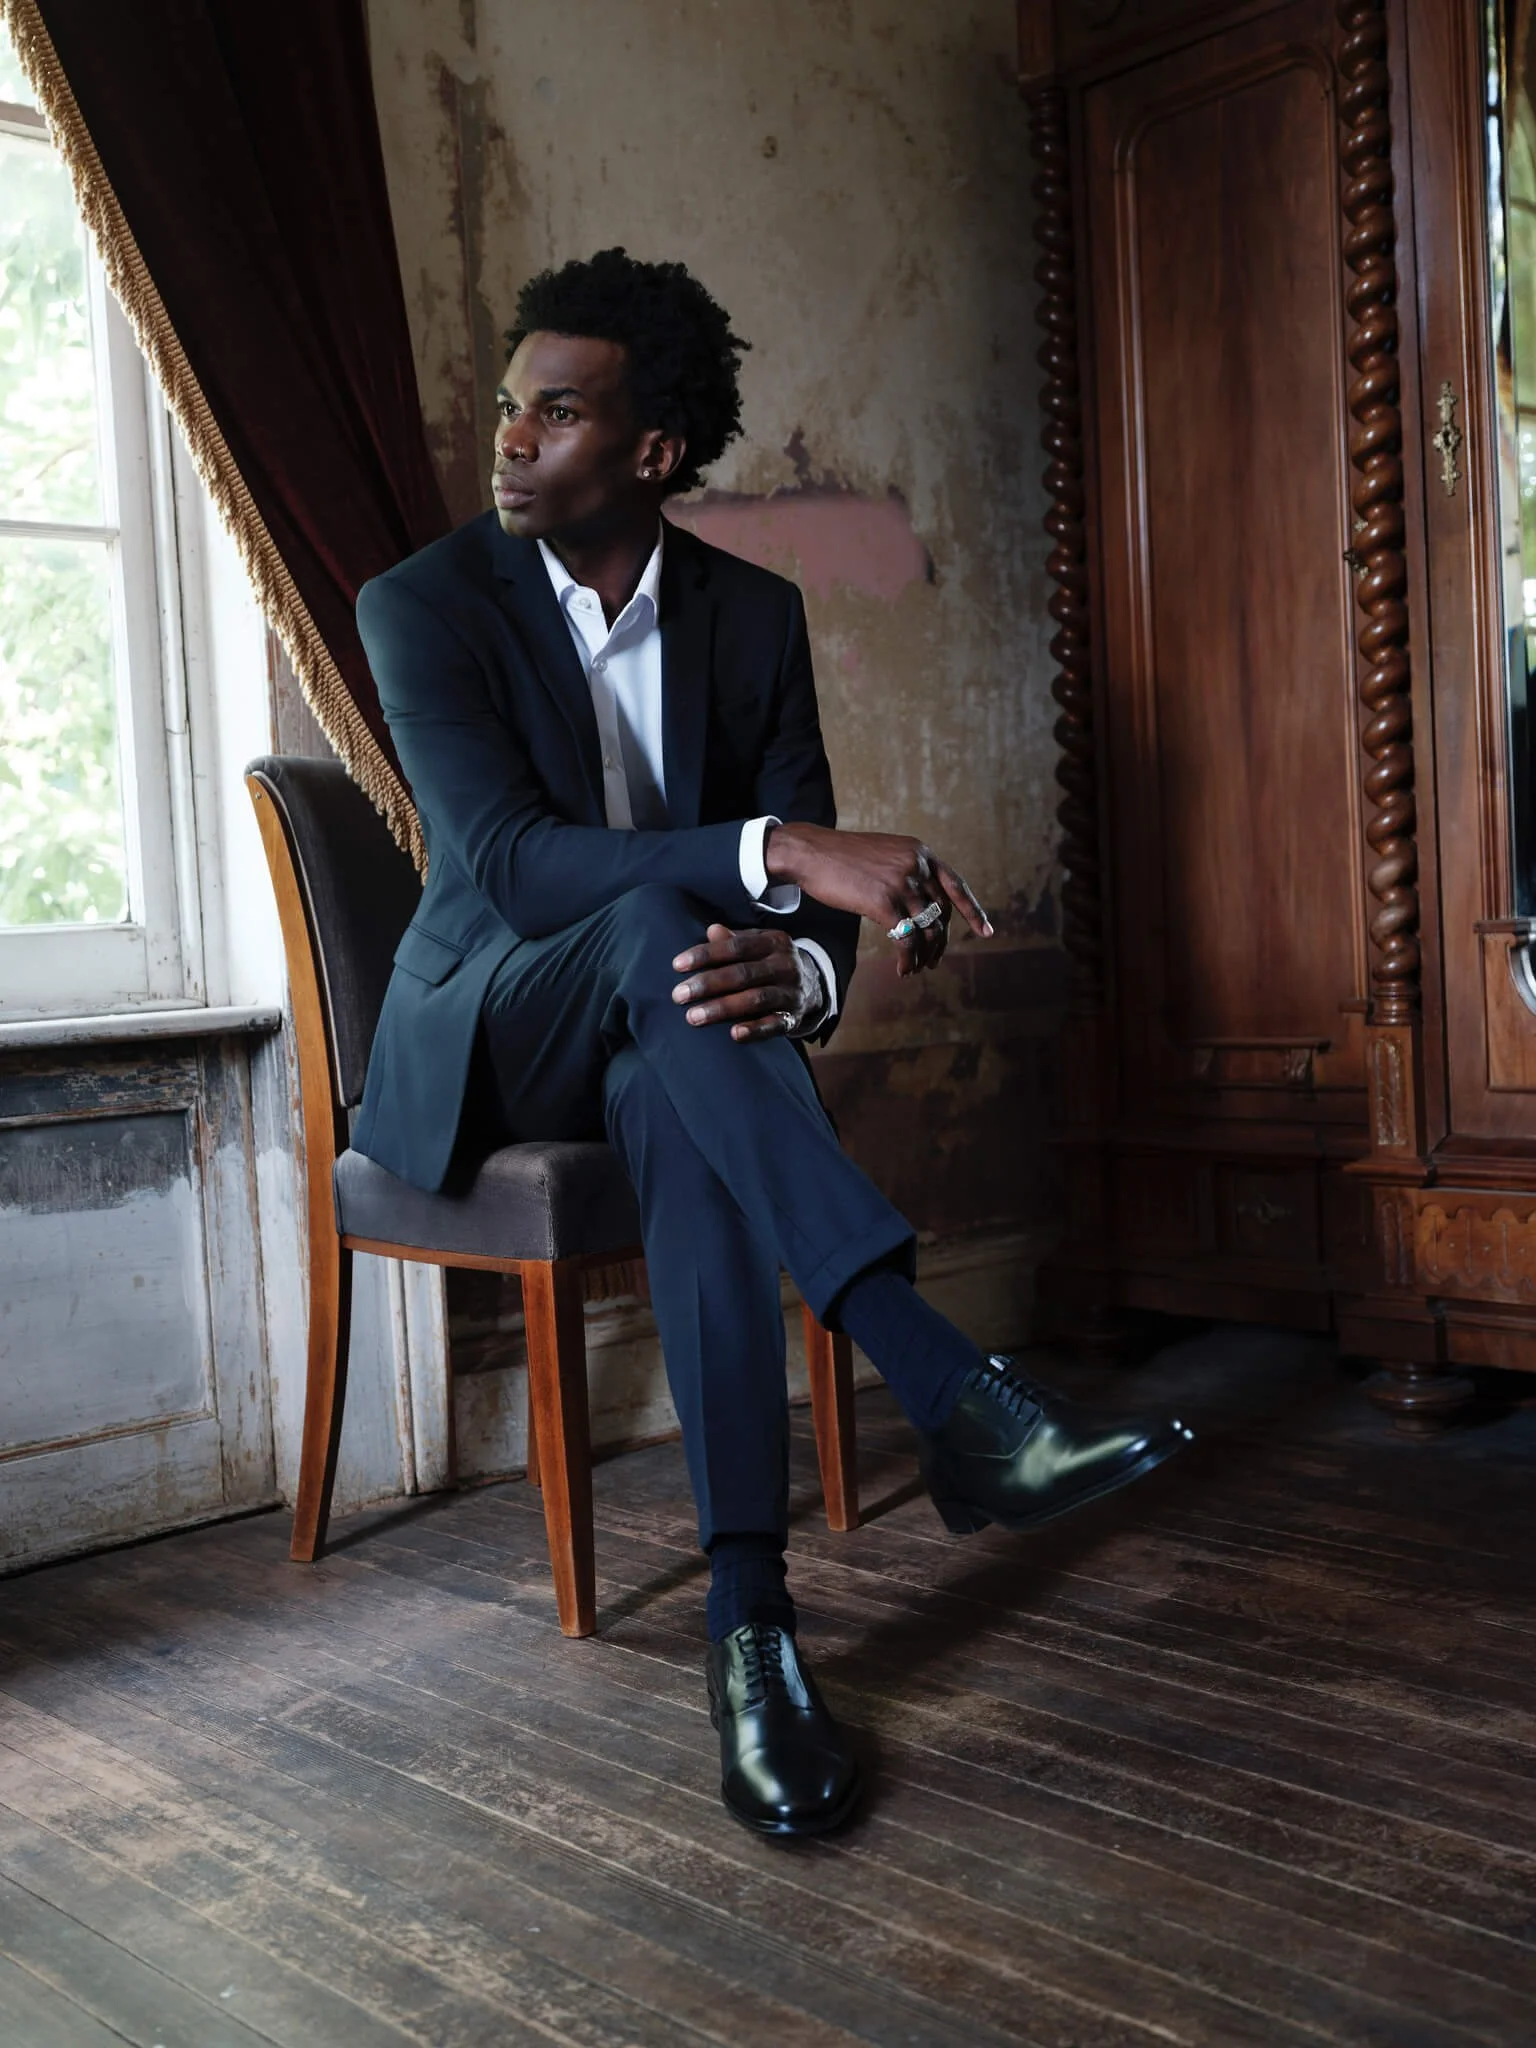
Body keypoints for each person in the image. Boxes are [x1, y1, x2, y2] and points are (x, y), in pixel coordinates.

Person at [353, 248, 1189, 1838]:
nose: (511, 438)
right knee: (649, 926)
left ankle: (753, 1635)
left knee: (682, 1074)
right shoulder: (424, 603)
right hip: (487, 1034)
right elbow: (518, 865)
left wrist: (802, 973)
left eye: (557, 412)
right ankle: (947, 1384)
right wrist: (785, 852)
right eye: (512, 406)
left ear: (655, 450)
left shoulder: (752, 618)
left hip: (662, 1028)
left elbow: (808, 937)